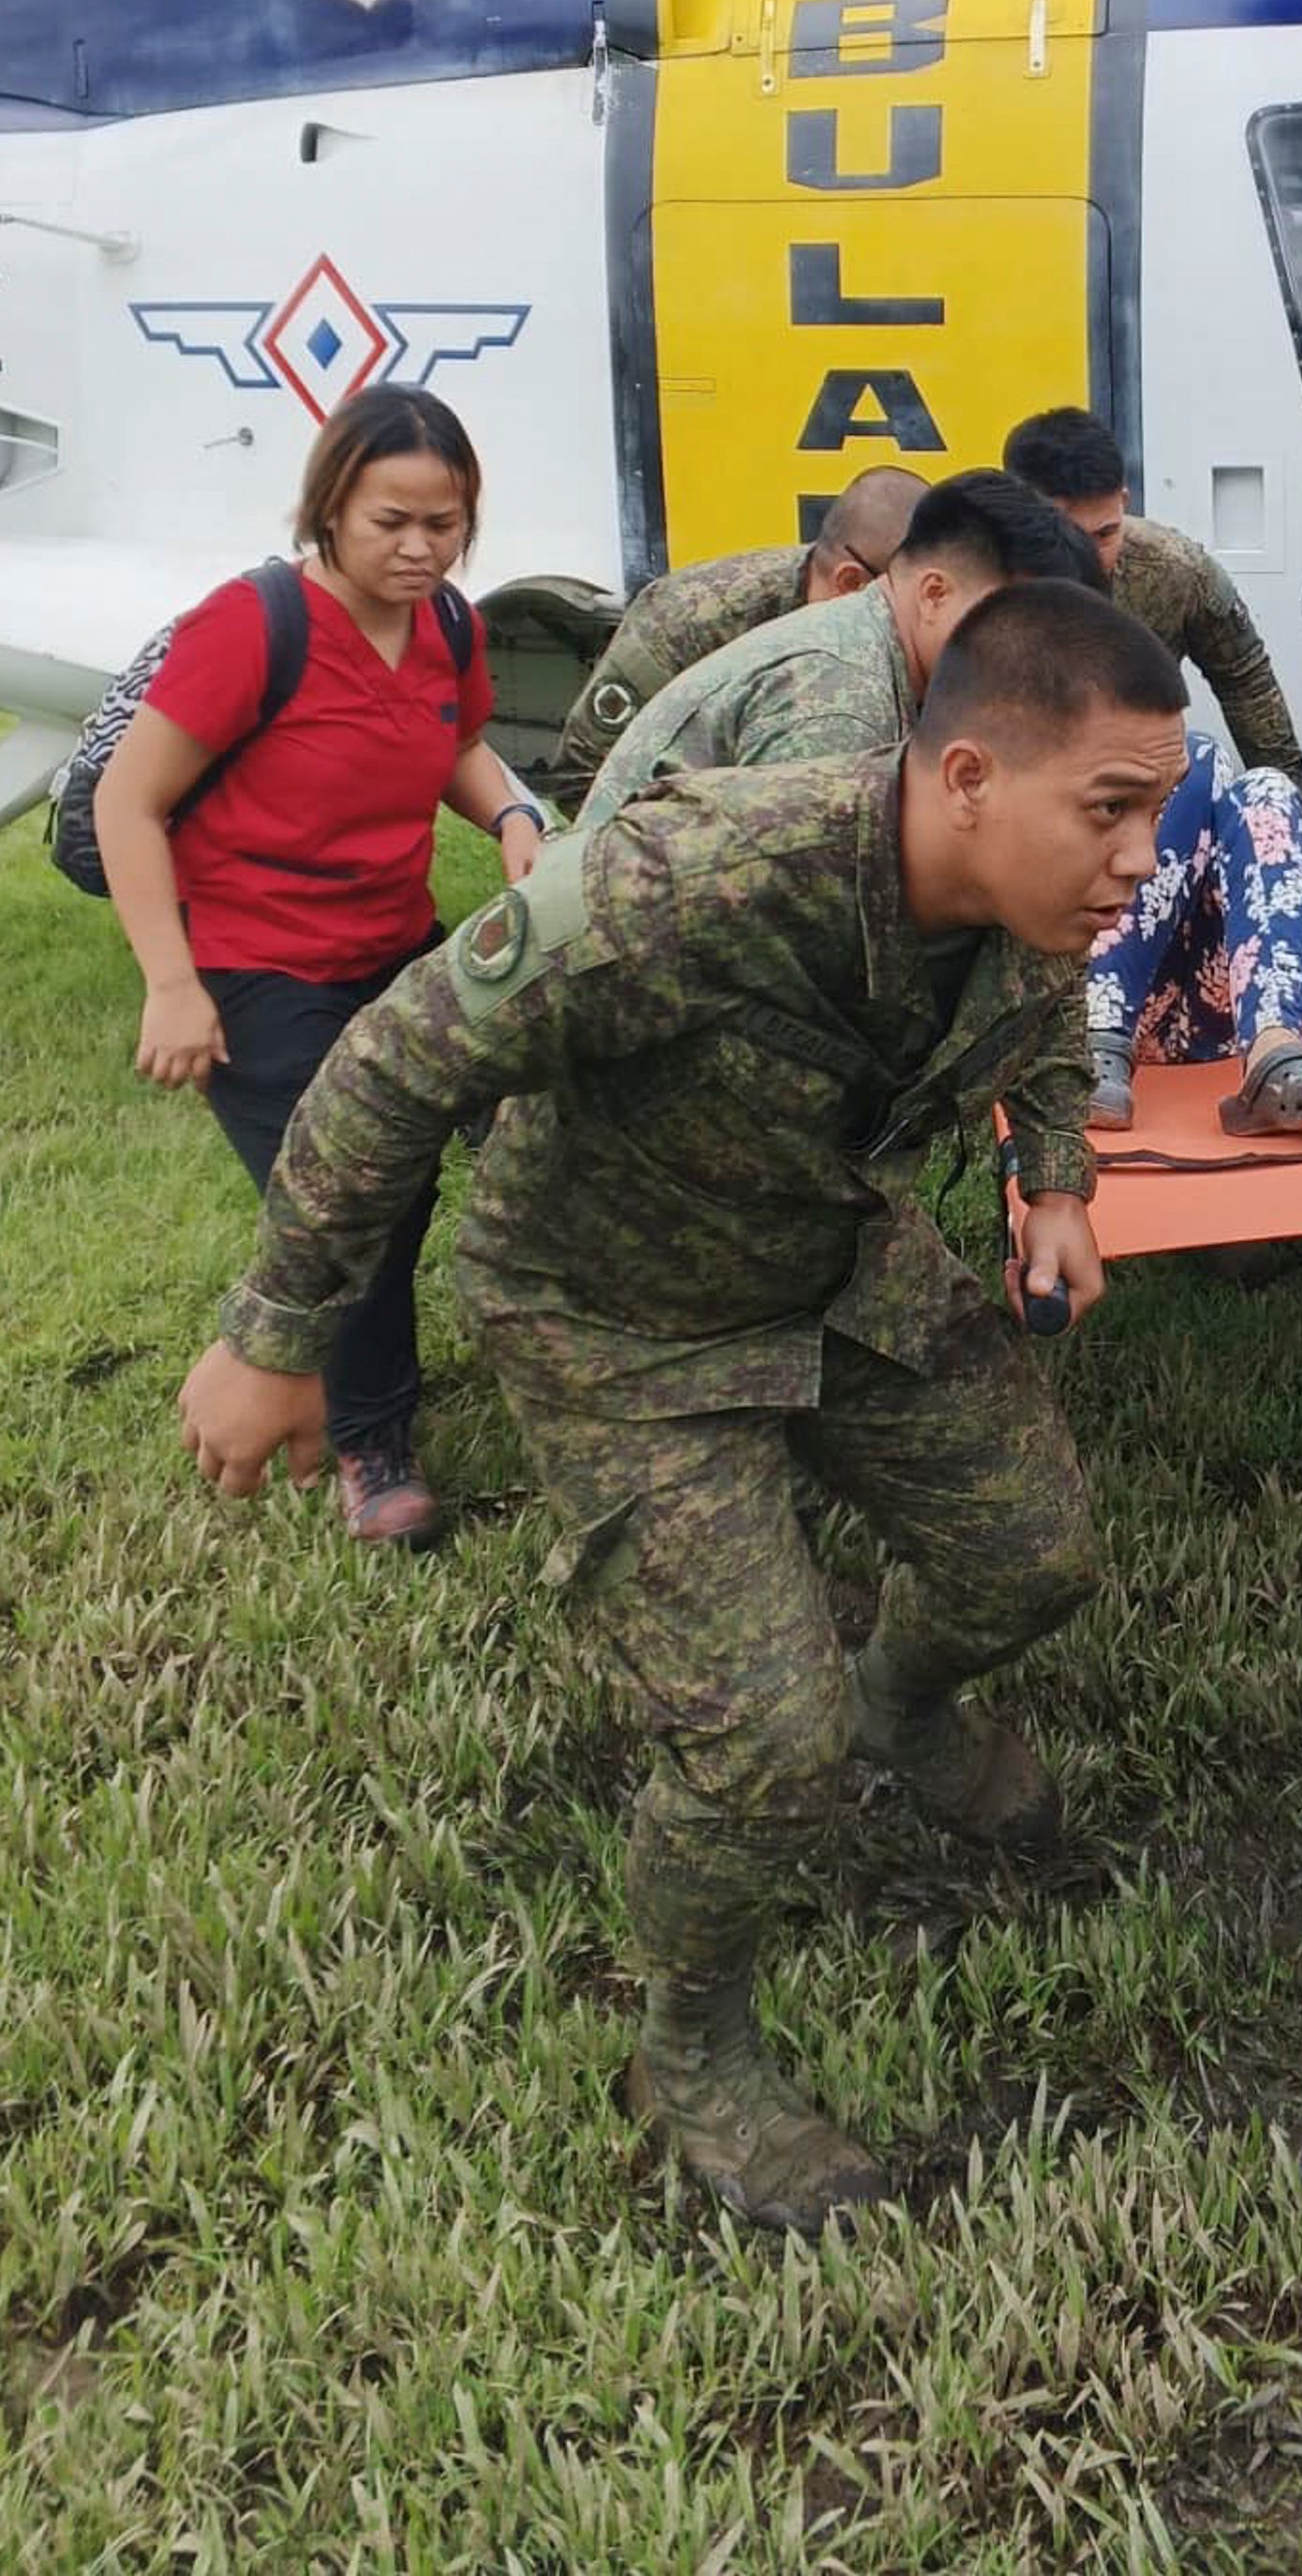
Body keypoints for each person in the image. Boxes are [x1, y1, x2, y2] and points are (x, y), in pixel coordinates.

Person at [175, 585, 1193, 2230]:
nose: (1142, 857)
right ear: (966, 778)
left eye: (1156, 809)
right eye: (1112, 809)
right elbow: (399, 1058)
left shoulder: (1033, 899)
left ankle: (904, 1704)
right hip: (614, 1314)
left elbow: (1049, 1025)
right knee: (765, 1744)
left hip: (826, 1258)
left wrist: (1061, 1180)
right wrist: (277, 1329)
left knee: (1033, 1557)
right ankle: (692, 2053)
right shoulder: (696, 878)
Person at [93, 384, 535, 1550]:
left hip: (394, 946)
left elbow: (459, 744)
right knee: (357, 1200)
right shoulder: (252, 625)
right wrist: (171, 983)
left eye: (444, 523)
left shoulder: (447, 624)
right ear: (330, 505)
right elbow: (127, 801)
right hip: (258, 972)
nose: (420, 547)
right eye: (392, 520)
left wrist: (510, 813)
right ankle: (371, 1441)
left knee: (516, 1110)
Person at [577, 472, 1098, 823]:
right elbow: (796, 910)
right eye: (1014, 625)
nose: (1028, 661)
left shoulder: (875, 647)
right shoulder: (841, 701)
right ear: (935, 594)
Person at [1087, 619, 1302, 1132]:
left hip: (1220, 1023)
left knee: (1268, 786)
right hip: (1103, 996)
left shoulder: (1263, 826)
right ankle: (1095, 1047)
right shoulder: (1100, 822)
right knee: (1201, 758)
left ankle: (1275, 1061)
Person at [551, 466, 927, 809]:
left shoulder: (907, 638)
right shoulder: (689, 618)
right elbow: (583, 775)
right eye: (916, 595)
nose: (931, 611)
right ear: (851, 582)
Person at [1003, 407, 1302, 788]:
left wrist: (1287, 796)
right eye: (1072, 537)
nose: (1090, 556)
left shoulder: (1176, 571)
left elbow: (1245, 681)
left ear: (1123, 500)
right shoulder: (978, 577)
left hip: (1135, 781)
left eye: (1106, 534)